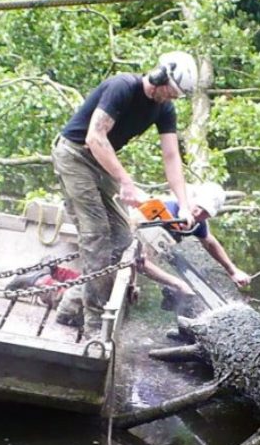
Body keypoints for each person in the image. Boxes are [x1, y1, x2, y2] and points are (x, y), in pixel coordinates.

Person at [52, 50, 199, 339]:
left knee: (123, 241)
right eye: (171, 91)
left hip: (101, 161)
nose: (171, 98)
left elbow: (171, 157)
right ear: (160, 76)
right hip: (74, 154)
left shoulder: (165, 109)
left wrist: (184, 205)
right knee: (96, 236)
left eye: (177, 95)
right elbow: (95, 136)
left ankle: (70, 305)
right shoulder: (123, 87)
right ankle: (95, 326)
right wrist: (126, 182)